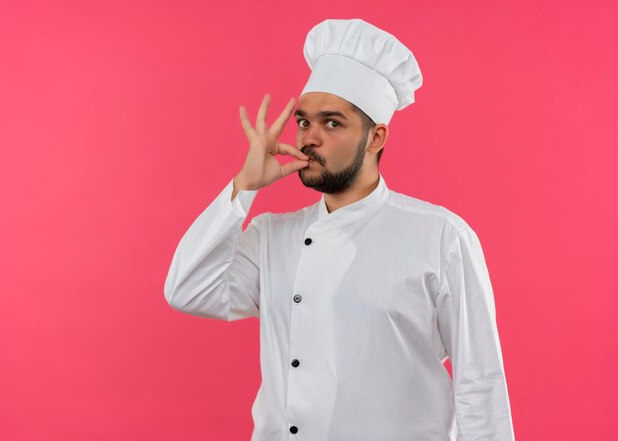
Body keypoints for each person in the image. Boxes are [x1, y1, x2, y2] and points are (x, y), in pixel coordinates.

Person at [164, 18, 515, 441]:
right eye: (303, 122)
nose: (309, 138)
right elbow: (187, 289)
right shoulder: (271, 236)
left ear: (375, 137)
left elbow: (480, 382)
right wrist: (244, 186)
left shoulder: (441, 237)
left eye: (332, 123)